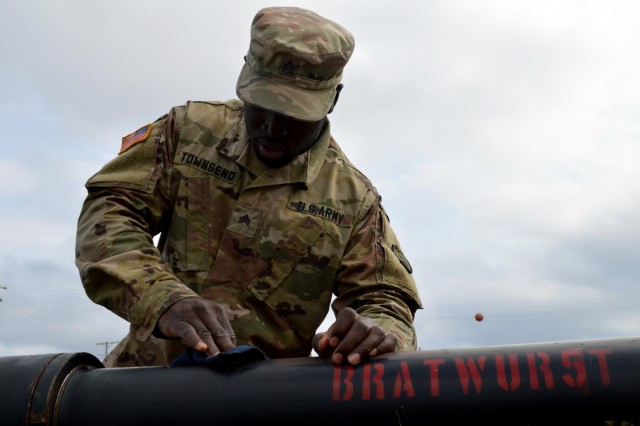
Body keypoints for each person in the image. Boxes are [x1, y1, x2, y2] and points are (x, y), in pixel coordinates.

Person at [75, 6, 422, 368]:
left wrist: (378, 331)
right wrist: (162, 299)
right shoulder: (187, 132)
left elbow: (385, 300)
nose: (272, 128)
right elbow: (112, 210)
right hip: (143, 382)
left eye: (294, 115)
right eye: (262, 105)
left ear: (332, 100)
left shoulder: (353, 199)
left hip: (263, 402)